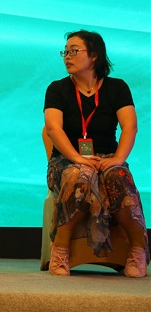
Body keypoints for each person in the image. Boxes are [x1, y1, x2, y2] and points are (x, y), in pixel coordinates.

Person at [44, 30, 148, 277]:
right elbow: (53, 129)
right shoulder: (57, 88)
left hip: (108, 159)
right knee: (80, 176)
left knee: (118, 177)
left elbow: (130, 127)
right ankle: (60, 249)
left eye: (74, 51)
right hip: (66, 160)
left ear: (94, 56)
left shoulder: (117, 87)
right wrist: (78, 158)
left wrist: (118, 159)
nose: (67, 56)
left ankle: (138, 250)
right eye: (65, 51)